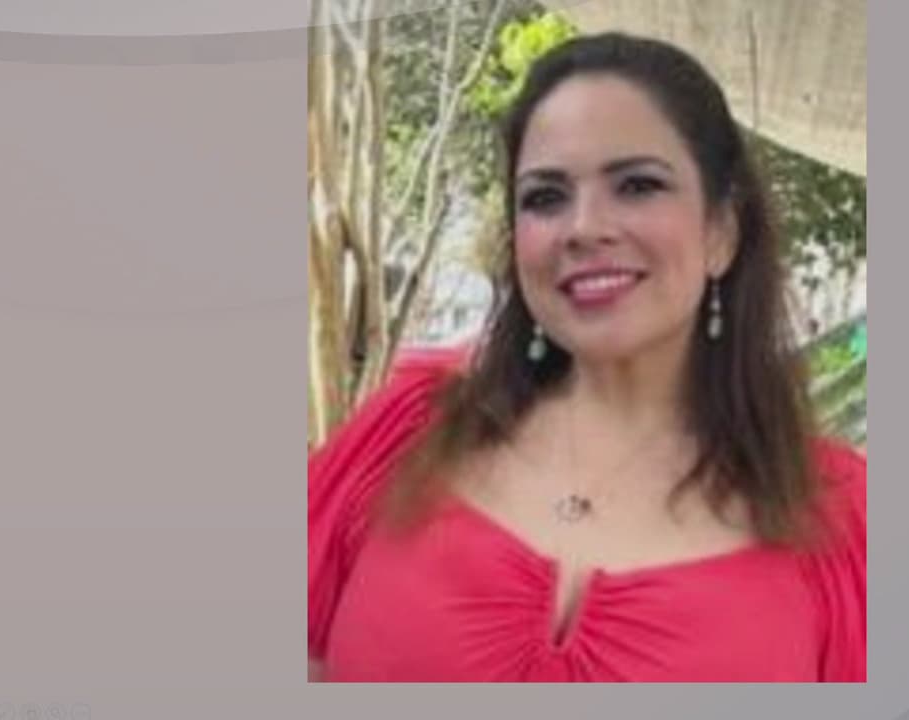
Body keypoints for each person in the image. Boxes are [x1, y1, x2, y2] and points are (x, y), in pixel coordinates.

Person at [308, 32, 866, 682]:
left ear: (721, 233)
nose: (584, 228)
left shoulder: (841, 520)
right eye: (546, 197)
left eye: (637, 185)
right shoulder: (402, 438)